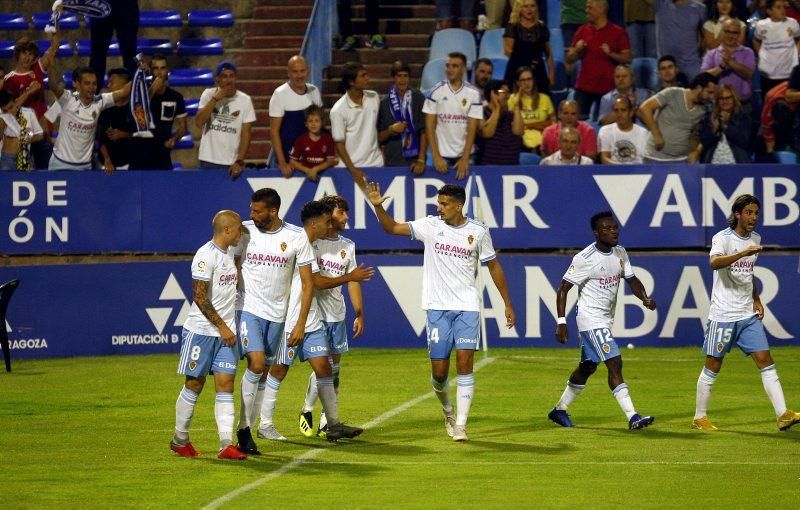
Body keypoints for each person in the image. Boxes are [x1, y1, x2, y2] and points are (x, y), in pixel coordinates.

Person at [365, 182, 516, 441]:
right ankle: (448, 411)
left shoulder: (478, 231)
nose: (439, 208)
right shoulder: (431, 226)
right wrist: (378, 205)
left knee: (465, 365)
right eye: (439, 203)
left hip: (467, 306)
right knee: (439, 373)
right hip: (436, 307)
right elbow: (390, 228)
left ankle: (461, 425)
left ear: (459, 205)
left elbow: (493, 266)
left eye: (444, 204)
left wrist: (507, 303)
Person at [692, 195, 800, 432]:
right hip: (722, 314)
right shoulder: (722, 238)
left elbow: (747, 274)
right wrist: (742, 253)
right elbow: (714, 263)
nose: (754, 218)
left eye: (756, 213)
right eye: (749, 213)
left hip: (746, 314)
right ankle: (699, 417)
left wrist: (757, 299)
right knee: (713, 364)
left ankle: (782, 414)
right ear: (737, 214)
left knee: (766, 361)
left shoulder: (756, 239)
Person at [547, 211, 656, 430]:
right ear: (596, 233)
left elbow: (632, 279)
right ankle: (633, 416)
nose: (613, 231)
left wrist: (644, 298)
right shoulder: (585, 258)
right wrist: (561, 321)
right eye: (607, 229)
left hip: (605, 320)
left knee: (587, 367)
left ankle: (559, 409)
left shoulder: (620, 253)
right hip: (590, 319)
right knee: (614, 362)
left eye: (615, 227)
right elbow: (563, 288)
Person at [233, 188, 316, 450]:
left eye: (257, 211)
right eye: (251, 209)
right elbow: (227, 259)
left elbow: (307, 283)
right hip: (248, 308)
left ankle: (254, 427)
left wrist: (300, 323)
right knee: (256, 365)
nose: (252, 214)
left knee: (265, 371)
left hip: (278, 315)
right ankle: (243, 428)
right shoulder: (243, 231)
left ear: (273, 211)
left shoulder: (295, 237)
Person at [278, 199, 366, 442]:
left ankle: (327, 422)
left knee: (332, 370)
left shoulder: (348, 245)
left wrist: (359, 312)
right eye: (341, 212)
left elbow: (353, 280)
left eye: (346, 211)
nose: (346, 216)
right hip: (313, 314)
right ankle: (307, 409)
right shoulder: (311, 243)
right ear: (328, 216)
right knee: (319, 366)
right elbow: (313, 282)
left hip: (336, 314)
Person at [170, 210, 246, 460]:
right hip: (202, 331)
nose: (240, 235)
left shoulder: (231, 252)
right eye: (237, 230)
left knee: (225, 385)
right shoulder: (205, 256)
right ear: (226, 230)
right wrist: (223, 327)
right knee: (194, 383)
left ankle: (226, 444)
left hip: (226, 334)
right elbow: (200, 297)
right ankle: (180, 439)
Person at [47, 64, 131, 170]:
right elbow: (54, 87)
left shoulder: (100, 101)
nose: (92, 87)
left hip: (84, 167)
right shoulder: (67, 99)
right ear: (77, 84)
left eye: (94, 84)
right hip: (60, 164)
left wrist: (140, 71)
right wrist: (50, 65)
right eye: (87, 83)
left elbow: (124, 92)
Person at [566, 0, 632, 119]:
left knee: (603, 127)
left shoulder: (618, 32)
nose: (586, 11)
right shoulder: (582, 30)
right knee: (578, 125)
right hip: (583, 87)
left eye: (590, 8)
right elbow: (569, 59)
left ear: (601, 10)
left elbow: (628, 58)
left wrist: (610, 53)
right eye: (586, 8)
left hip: (607, 90)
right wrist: (577, 49)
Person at [423, 52, 484, 180]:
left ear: (463, 69)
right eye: (447, 66)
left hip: (465, 156)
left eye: (455, 66)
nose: (450, 69)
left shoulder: (473, 93)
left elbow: (472, 128)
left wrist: (465, 158)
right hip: (441, 157)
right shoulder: (435, 91)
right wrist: (436, 156)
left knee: (466, 196)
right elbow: (429, 126)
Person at [2, 34, 59, 169]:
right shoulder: (9, 79)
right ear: (18, 54)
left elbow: (55, 46)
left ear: (34, 57)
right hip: (21, 135)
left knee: (44, 172)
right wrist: (28, 93)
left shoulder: (37, 69)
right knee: (22, 173)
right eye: (24, 53)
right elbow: (9, 110)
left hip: (41, 131)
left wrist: (56, 18)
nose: (27, 57)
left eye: (31, 54)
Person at [638, 72, 718, 163]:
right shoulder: (672, 93)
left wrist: (697, 151)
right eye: (709, 92)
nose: (711, 96)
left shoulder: (705, 108)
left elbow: (708, 132)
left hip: (681, 159)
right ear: (699, 88)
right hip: (654, 157)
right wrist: (656, 134)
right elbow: (644, 108)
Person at [195, 61, 256, 180]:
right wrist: (214, 99)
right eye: (224, 76)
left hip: (231, 163)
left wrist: (240, 160)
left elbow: (246, 134)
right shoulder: (208, 94)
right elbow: (198, 123)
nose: (228, 80)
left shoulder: (245, 100)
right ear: (217, 79)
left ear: (236, 78)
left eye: (231, 76)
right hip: (208, 159)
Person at [330, 62, 383, 186]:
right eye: (363, 76)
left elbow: (376, 128)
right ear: (351, 82)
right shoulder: (338, 110)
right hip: (351, 170)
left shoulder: (374, 97)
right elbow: (339, 144)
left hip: (376, 164)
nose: (367, 78)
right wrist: (354, 171)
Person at [269, 56, 322, 177]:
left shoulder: (315, 91)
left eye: (302, 71)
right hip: (290, 164)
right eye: (295, 72)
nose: (299, 76)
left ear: (307, 71)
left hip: (311, 161)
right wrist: (282, 163)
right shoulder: (279, 94)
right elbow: (274, 131)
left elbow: (319, 127)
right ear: (288, 73)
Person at [377, 60, 427, 174]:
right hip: (392, 160)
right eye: (399, 76)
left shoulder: (418, 97)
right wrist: (391, 130)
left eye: (406, 76)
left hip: (414, 160)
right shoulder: (384, 103)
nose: (403, 80)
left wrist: (421, 159)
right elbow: (379, 137)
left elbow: (424, 131)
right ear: (393, 78)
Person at [142, 54, 186, 170]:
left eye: (163, 68)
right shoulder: (142, 93)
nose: (159, 72)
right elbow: (136, 116)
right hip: (140, 153)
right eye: (156, 68)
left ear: (167, 70)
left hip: (163, 155)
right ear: (151, 71)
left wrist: (174, 139)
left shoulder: (176, 97)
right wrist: (152, 91)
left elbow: (182, 127)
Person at [700, 18, 756, 107]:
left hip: (742, 104)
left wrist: (731, 62)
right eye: (727, 32)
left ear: (739, 35)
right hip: (717, 104)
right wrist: (721, 67)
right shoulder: (711, 54)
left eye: (734, 33)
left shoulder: (748, 52)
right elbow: (703, 77)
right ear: (721, 32)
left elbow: (749, 73)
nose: (730, 36)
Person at [503, 0, 555, 94]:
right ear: (520, 9)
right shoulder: (512, 27)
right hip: (516, 70)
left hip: (538, 70)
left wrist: (551, 75)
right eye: (525, 6)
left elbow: (548, 54)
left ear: (536, 8)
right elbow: (507, 51)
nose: (529, 9)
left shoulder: (542, 27)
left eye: (532, 6)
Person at [648, 0, 707, 82]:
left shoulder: (700, 8)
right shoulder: (660, 3)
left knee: (699, 88)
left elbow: (705, 36)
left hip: (691, 63)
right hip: (666, 65)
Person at [753, 0, 800, 98]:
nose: (783, 10)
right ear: (769, 11)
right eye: (778, 7)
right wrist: (760, 54)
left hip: (789, 74)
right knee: (769, 103)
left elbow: (798, 37)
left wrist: (797, 53)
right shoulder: (761, 25)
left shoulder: (792, 23)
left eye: (783, 7)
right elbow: (755, 40)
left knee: (788, 104)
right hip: (768, 75)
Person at [97, 68, 138, 174]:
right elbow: (101, 139)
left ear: (125, 86)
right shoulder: (104, 109)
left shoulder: (136, 109)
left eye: (112, 82)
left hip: (131, 165)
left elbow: (142, 136)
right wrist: (107, 160)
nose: (108, 86)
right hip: (106, 166)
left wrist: (124, 134)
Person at [696, 84, 752, 163]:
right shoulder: (710, 118)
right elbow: (705, 142)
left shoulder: (742, 118)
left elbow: (743, 141)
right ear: (717, 101)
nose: (725, 101)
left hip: (737, 163)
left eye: (728, 98)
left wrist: (726, 125)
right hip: (713, 162)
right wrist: (714, 130)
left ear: (734, 99)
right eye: (721, 98)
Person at [90, 0, 139, 82]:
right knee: (97, 53)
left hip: (126, 5)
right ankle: (92, 91)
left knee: (130, 53)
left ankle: (134, 91)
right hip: (101, 4)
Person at [508, 67, 555, 153]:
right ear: (517, 83)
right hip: (520, 142)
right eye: (523, 80)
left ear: (534, 80)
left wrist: (528, 126)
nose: (526, 83)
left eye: (529, 79)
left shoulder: (545, 98)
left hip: (543, 140)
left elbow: (553, 123)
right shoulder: (512, 99)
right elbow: (511, 125)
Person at [478, 80, 523, 165]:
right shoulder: (481, 113)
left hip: (512, 168)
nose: (508, 96)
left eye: (508, 92)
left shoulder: (510, 115)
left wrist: (517, 105)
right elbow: (487, 133)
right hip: (488, 169)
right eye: (503, 92)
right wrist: (496, 109)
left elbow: (519, 132)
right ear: (493, 94)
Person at [289, 105, 337, 181]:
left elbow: (330, 161)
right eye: (310, 121)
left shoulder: (328, 139)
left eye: (316, 120)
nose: (313, 124)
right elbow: (292, 161)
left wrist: (315, 169)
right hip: (304, 176)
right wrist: (308, 170)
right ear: (306, 124)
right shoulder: (300, 140)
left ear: (322, 122)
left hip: (325, 176)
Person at [0, 87, 43, 171]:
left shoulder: (29, 113)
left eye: (11, 107)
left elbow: (39, 135)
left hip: (26, 156)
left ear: (14, 101)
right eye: (5, 110)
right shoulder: (2, 117)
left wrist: (29, 136)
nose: (10, 111)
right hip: (8, 159)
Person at [598, 95, 650, 163]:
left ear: (631, 113)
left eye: (623, 110)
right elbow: (604, 158)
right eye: (616, 110)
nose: (619, 114)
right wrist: (623, 169)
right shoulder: (605, 131)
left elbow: (645, 160)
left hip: (638, 171)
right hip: (613, 171)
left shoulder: (643, 133)